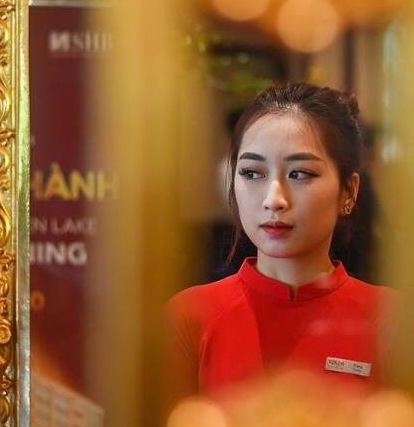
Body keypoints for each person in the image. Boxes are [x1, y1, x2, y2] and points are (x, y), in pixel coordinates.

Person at [166, 83, 394, 399]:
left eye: (300, 174)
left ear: (349, 191)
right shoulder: (189, 316)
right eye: (252, 173)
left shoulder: (391, 318)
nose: (274, 200)